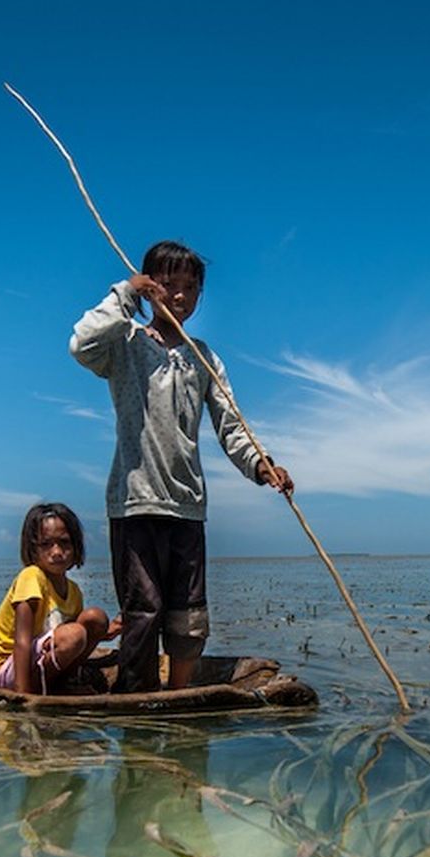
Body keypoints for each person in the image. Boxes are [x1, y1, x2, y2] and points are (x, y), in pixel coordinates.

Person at [71, 240, 292, 693]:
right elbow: (81, 342)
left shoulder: (205, 358)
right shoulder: (125, 345)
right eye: (167, 285)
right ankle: (139, 702)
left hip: (188, 507)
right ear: (150, 287)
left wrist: (261, 465)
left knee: (189, 615)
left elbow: (232, 427)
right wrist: (126, 293)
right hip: (135, 504)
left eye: (190, 287)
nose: (180, 295)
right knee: (143, 611)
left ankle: (179, 697)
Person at [0, 503, 118, 694]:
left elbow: (77, 640)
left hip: (38, 661)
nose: (56, 552)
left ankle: (63, 681)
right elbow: (22, 641)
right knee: (73, 634)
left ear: (75, 546)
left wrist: (109, 629)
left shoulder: (74, 591)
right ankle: (39, 687)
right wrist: (23, 695)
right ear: (33, 548)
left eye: (64, 543)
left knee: (95, 617)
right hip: (7, 667)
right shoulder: (31, 576)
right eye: (46, 544)